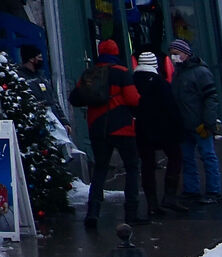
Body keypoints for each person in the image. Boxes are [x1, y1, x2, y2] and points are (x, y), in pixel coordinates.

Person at [70, 38, 146, 228]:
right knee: (131, 168)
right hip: (122, 127)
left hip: (97, 127)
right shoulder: (121, 73)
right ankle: (131, 212)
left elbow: (76, 97)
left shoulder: (90, 73)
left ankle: (93, 212)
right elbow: (132, 99)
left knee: (100, 169)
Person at [168, 40, 222, 207]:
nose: (174, 57)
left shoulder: (200, 72)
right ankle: (192, 190)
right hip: (185, 124)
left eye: (176, 53)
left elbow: (211, 98)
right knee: (188, 158)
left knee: (207, 156)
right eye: (172, 53)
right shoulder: (178, 73)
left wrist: (208, 122)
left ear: (185, 53)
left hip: (199, 123)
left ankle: (214, 191)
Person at [131, 52, 183, 218]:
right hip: (164, 128)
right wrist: (180, 127)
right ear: (155, 65)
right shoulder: (160, 83)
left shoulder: (132, 81)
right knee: (175, 157)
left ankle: (152, 203)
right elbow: (171, 107)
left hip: (141, 128)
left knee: (147, 165)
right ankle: (169, 196)